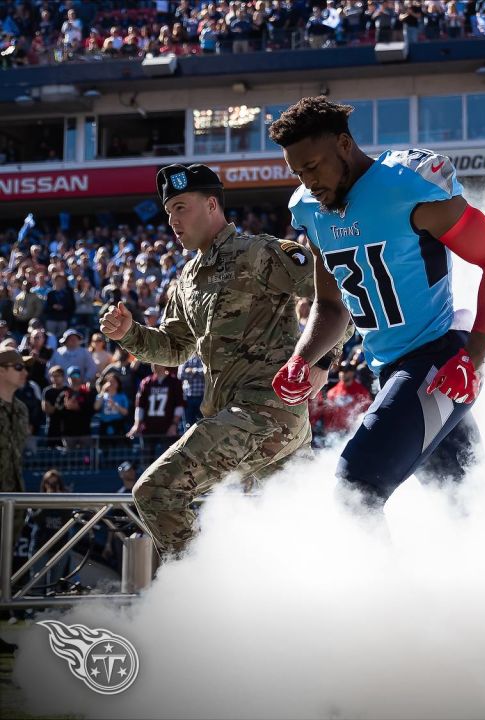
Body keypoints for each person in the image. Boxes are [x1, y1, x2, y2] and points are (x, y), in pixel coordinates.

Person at [267, 96, 485, 508]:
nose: (307, 181)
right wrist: (302, 356)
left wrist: (474, 355)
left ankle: (376, 576)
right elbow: (331, 305)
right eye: (297, 172)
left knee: (356, 488)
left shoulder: (405, 184)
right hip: (391, 370)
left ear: (344, 145)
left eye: (312, 166)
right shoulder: (310, 210)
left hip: (438, 360)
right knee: (463, 509)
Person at [100, 163, 345, 559]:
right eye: (168, 213)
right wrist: (129, 334)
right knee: (289, 538)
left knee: (156, 490)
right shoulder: (188, 279)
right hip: (239, 418)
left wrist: (322, 361)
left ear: (211, 204)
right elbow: (175, 348)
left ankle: (203, 591)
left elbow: (339, 295)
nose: (173, 220)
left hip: (266, 412)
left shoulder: (261, 253)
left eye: (181, 207)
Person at [0, 348, 29, 493]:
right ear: (1, 370)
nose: (25, 373)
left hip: (13, 500)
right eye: (18, 367)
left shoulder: (21, 409)